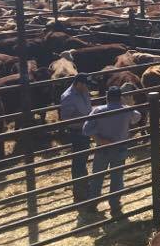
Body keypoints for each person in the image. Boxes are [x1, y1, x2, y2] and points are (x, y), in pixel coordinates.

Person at [83, 86, 141, 220]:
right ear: (120, 97)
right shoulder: (127, 110)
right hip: (120, 148)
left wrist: (99, 139)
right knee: (117, 177)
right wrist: (127, 105)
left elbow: (86, 129)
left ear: (107, 97)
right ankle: (114, 205)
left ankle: (92, 203)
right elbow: (137, 117)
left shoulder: (98, 110)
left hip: (102, 149)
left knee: (97, 176)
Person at [59, 73, 96, 222]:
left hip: (85, 130)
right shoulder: (68, 96)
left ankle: (83, 188)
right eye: (86, 84)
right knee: (79, 162)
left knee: (83, 159)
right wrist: (84, 122)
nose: (88, 88)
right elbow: (67, 119)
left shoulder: (83, 91)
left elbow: (88, 107)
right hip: (77, 131)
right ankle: (79, 193)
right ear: (79, 83)